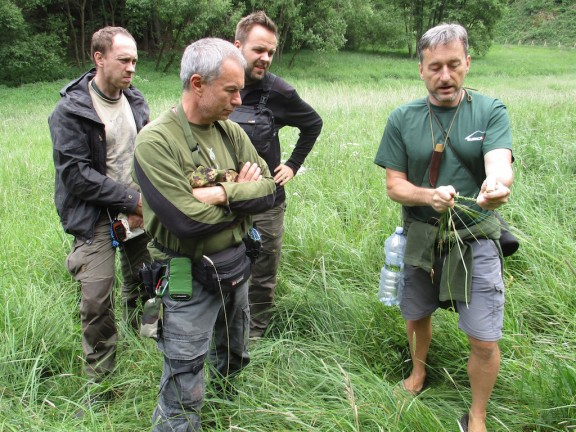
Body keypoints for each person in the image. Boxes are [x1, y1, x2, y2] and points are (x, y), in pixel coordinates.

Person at [374, 24, 513, 432]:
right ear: (421, 69)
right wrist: (427, 197)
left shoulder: (490, 110)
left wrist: (496, 187)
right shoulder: (402, 118)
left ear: (467, 63)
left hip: (476, 238)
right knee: (416, 315)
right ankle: (418, 374)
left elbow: (500, 164)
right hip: (420, 237)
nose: (445, 76)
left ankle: (478, 414)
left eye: (454, 65)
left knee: (484, 338)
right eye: (435, 67)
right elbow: (394, 186)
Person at [132, 38, 276, 431]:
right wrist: (242, 197)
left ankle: (226, 411)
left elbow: (271, 189)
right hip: (186, 274)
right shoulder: (156, 142)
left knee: (234, 351)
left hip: (237, 263)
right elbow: (185, 220)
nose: (239, 99)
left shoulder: (230, 132)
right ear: (198, 84)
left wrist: (219, 193)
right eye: (231, 90)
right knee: (184, 375)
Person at [49, 26, 151, 389]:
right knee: (96, 297)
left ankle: (146, 344)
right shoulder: (70, 111)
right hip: (94, 215)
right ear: (99, 58)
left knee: (145, 280)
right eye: (124, 60)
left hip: (136, 210)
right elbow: (76, 176)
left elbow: (147, 155)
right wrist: (132, 200)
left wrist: (145, 201)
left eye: (135, 61)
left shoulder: (135, 101)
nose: (131, 68)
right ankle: (102, 380)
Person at [232, 11, 323, 338]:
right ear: (238, 45)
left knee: (262, 273)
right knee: (220, 266)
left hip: (266, 203)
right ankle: (223, 327)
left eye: (271, 51)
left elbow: (313, 124)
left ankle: (254, 334)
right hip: (222, 202)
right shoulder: (218, 83)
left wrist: (293, 164)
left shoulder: (280, 92)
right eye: (258, 50)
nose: (266, 58)